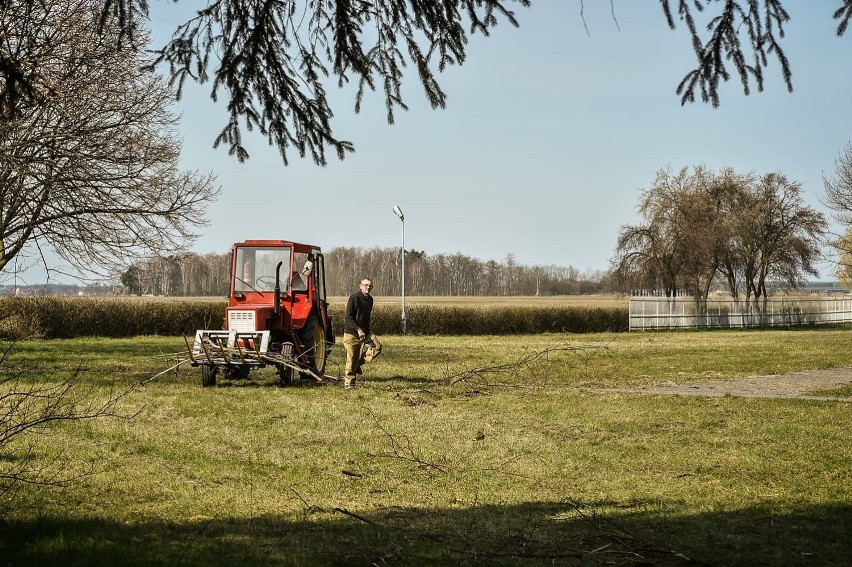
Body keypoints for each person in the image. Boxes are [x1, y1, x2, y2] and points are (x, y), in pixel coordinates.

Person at [343, 278, 375, 389]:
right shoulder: (354, 298)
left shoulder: (370, 299)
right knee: (351, 359)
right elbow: (348, 317)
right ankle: (349, 384)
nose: (368, 287)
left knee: (377, 347)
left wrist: (366, 331)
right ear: (360, 286)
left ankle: (358, 364)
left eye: (370, 286)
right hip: (352, 334)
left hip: (366, 333)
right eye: (365, 285)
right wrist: (358, 330)